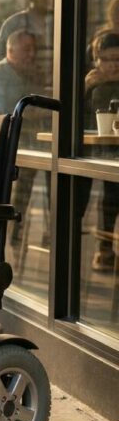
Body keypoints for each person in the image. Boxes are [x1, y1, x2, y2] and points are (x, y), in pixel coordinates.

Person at [0, 30, 39, 242]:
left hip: (27, 144)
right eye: (26, 49)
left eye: (33, 49)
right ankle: (12, 233)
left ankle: (24, 232)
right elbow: (0, 116)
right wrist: (35, 115)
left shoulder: (27, 73)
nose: (32, 54)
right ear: (10, 51)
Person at [85, 30, 119, 272]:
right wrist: (85, 88)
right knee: (106, 198)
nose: (113, 65)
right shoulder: (90, 83)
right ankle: (103, 249)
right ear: (97, 60)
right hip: (92, 151)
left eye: (118, 59)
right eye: (106, 59)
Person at [0, 0, 54, 94]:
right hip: (21, 93)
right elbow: (0, 60)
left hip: (54, 92)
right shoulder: (14, 23)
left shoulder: (59, 24)